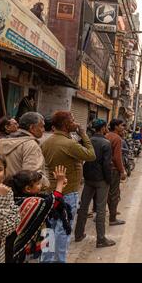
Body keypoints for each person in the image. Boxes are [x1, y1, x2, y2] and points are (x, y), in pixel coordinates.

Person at [40, 111, 96, 263]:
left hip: (51, 192)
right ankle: (60, 260)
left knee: (49, 229)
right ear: (66, 125)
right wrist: (83, 134)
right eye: (72, 120)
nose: (76, 123)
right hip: (67, 193)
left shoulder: (47, 142)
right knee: (63, 230)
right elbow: (91, 154)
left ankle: (46, 259)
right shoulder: (69, 144)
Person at [5, 167, 69, 263]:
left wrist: (60, 186)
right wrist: (59, 183)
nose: (41, 185)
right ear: (28, 188)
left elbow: (51, 201)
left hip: (30, 244)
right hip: (25, 248)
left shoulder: (18, 199)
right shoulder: (31, 203)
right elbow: (53, 202)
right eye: (38, 184)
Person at [75, 119, 116, 248]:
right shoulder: (105, 143)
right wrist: (108, 180)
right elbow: (106, 164)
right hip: (101, 179)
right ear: (103, 128)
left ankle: (78, 234)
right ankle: (101, 239)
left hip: (88, 177)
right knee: (100, 209)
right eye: (106, 127)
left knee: (84, 207)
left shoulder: (87, 140)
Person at [0, 112, 50, 190]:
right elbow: (32, 175)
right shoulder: (31, 145)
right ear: (32, 128)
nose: (43, 130)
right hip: (23, 193)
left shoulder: (3, 142)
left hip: (2, 190)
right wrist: (46, 183)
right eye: (41, 126)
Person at [106, 119, 126, 226]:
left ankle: (109, 212)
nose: (123, 127)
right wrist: (122, 171)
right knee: (114, 193)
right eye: (121, 125)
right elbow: (117, 157)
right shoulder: (117, 138)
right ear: (116, 127)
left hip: (105, 168)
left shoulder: (106, 135)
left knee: (106, 192)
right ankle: (112, 218)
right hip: (113, 169)